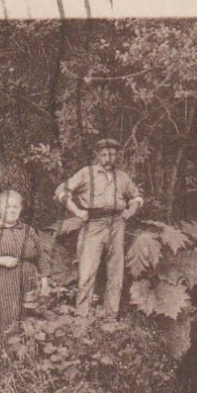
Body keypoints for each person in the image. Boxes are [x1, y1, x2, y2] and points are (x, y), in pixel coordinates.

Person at [54, 138, 143, 322]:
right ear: (97, 155)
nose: (108, 158)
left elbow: (137, 197)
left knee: (115, 272)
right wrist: (77, 210)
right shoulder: (86, 174)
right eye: (103, 154)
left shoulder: (122, 176)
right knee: (87, 271)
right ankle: (81, 316)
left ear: (116, 155)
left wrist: (130, 210)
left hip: (117, 224)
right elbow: (61, 191)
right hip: (93, 224)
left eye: (111, 154)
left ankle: (110, 316)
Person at [0, 189, 50, 343]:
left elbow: (41, 256)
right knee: (3, 322)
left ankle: (26, 358)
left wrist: (45, 282)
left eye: (16, 207)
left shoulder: (28, 230)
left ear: (20, 209)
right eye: (8, 207)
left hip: (28, 284)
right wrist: (0, 260)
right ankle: (1, 359)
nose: (12, 210)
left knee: (29, 321)